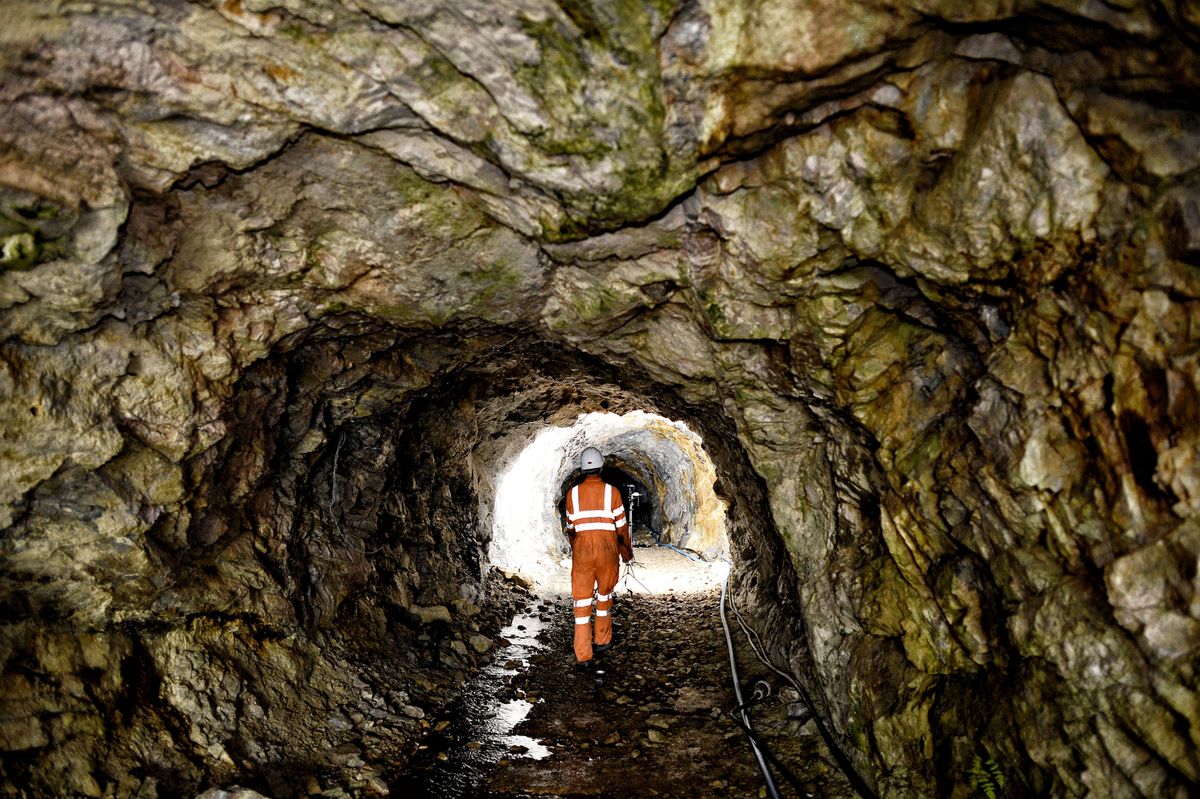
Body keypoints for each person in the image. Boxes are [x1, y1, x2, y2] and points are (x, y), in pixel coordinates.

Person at [564, 447, 633, 666]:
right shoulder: (612, 492)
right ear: (601, 467)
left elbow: (570, 528)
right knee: (604, 596)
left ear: (582, 469)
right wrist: (626, 554)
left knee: (582, 602)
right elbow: (621, 528)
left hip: (583, 550)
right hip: (607, 550)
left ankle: (583, 654)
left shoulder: (572, 494)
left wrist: (578, 547)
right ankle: (602, 640)